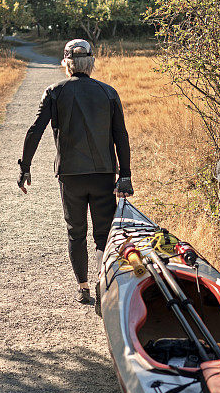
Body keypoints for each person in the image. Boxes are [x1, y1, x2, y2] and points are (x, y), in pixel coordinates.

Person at [17, 38, 133, 303]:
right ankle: (104, 283)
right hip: (104, 174)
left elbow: (35, 130)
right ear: (91, 63)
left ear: (67, 64)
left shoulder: (54, 91)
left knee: (76, 232)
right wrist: (124, 175)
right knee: (104, 233)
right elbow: (121, 136)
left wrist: (25, 167)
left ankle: (83, 288)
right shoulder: (108, 92)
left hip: (70, 175)